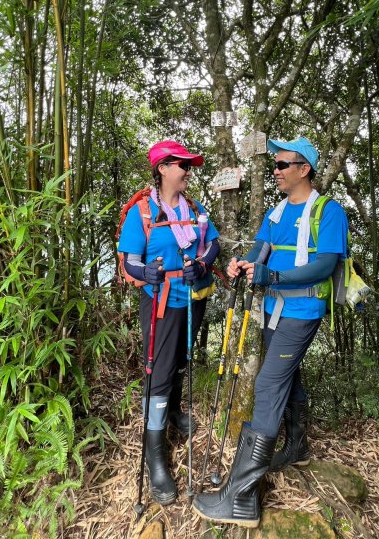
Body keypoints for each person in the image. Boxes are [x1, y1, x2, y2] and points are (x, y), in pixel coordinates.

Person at [192, 137, 348, 527]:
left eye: (282, 165)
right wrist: (240, 266)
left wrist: (272, 275)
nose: (275, 171)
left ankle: (240, 498)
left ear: (304, 169)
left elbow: (325, 266)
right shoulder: (277, 213)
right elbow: (258, 252)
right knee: (286, 377)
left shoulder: (329, 213)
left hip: (303, 310)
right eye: (273, 166)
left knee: (267, 386)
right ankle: (296, 446)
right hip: (273, 310)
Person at [118, 140, 220, 505]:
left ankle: (174, 412)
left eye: (189, 166)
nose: (188, 172)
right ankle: (155, 456)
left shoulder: (194, 208)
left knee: (180, 361)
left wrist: (203, 264)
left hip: (192, 298)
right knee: (158, 375)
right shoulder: (142, 211)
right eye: (182, 165)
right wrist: (145, 270)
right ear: (163, 168)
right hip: (160, 302)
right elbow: (129, 261)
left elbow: (212, 244)